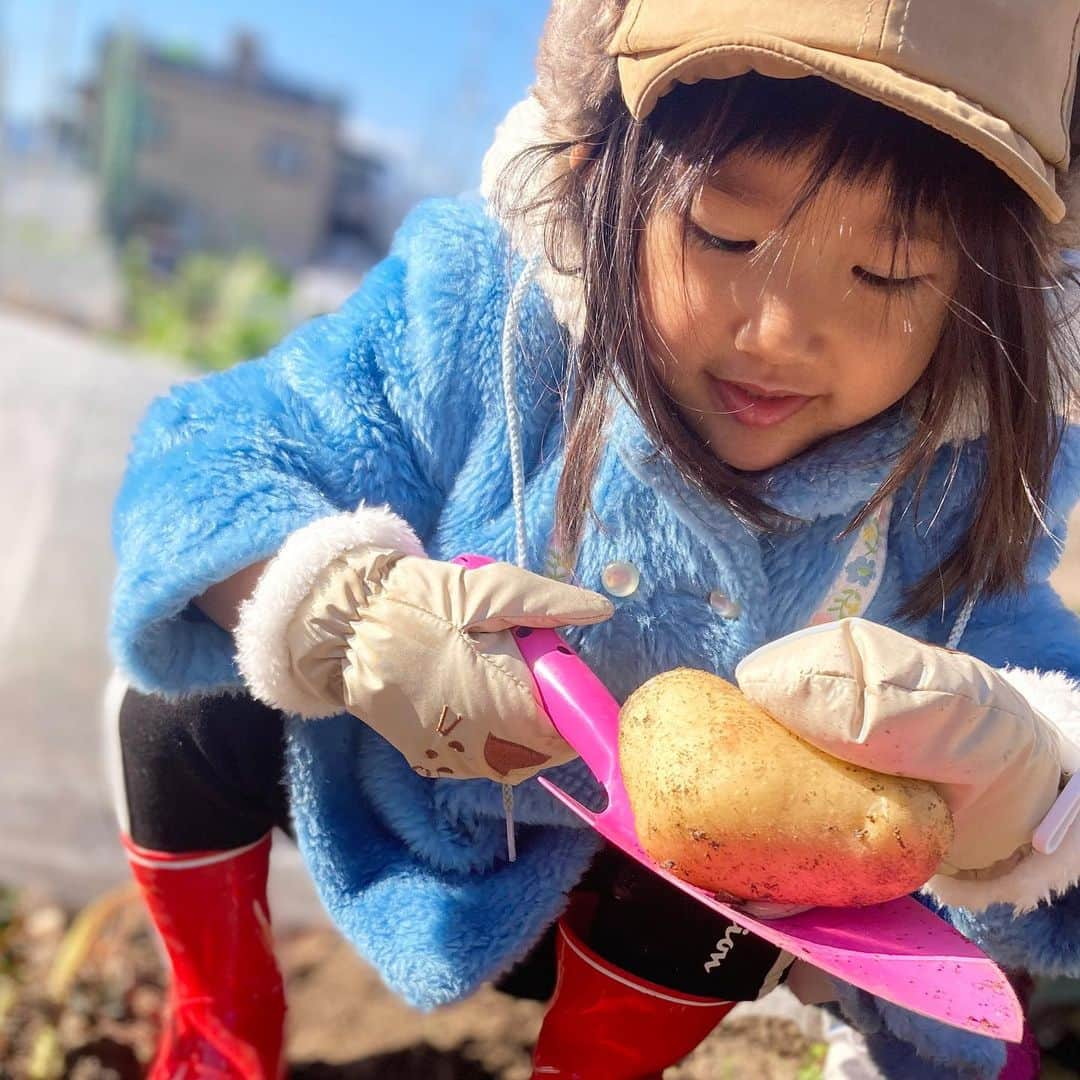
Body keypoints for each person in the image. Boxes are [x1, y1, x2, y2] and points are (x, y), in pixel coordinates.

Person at [107, 1, 1080, 1077]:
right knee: (178, 699)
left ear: (985, 292)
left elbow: (1048, 715)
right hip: (393, 815)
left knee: (752, 849)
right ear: (597, 170)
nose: (778, 334)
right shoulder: (490, 313)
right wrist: (350, 614)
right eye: (723, 233)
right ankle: (218, 1026)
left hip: (668, 934)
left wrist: (1028, 785)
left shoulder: (955, 479)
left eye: (888, 276)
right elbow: (207, 456)